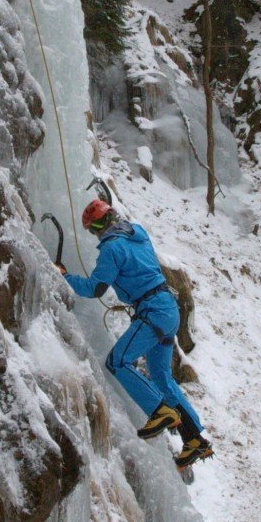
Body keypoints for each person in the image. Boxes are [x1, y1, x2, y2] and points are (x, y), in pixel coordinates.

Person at [59, 198, 211, 470]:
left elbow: (95, 289)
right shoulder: (138, 234)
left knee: (117, 361)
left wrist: (65, 276)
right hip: (167, 308)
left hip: (151, 311)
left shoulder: (111, 249)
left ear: (95, 228)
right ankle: (194, 439)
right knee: (162, 376)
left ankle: (159, 409)